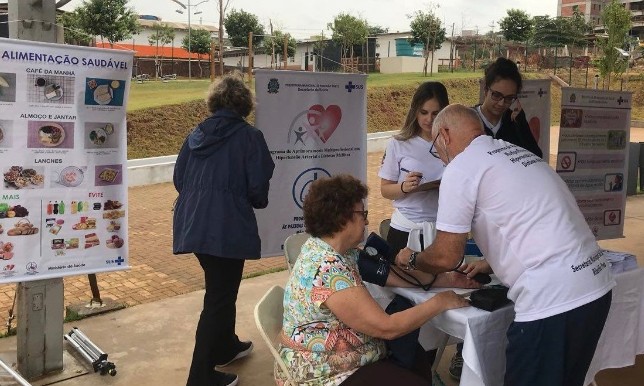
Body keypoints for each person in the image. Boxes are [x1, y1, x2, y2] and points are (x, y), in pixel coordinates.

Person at [396, 104, 614, 386]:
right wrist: (490, 262)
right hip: (595, 285)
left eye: (435, 147)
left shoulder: (462, 167)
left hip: (553, 298)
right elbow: (539, 220)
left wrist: (413, 260)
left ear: (445, 136)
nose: (439, 155)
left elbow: (447, 256)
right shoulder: (518, 155)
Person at [276, 175, 470, 386]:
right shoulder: (327, 270)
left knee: (414, 356)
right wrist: (440, 302)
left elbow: (394, 276)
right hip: (322, 372)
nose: (367, 221)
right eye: (363, 214)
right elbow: (387, 327)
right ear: (342, 217)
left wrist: (447, 279)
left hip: (350, 356)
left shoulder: (336, 250)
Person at [173, 73, 275, 386]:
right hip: (226, 224)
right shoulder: (249, 136)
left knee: (223, 288)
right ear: (244, 104)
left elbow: (179, 178)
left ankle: (226, 345)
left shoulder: (196, 133)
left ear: (214, 102)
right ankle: (200, 376)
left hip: (193, 222)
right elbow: (258, 187)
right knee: (218, 296)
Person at [379, 81, 449, 254]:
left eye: (436, 113)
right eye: (423, 112)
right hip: (406, 229)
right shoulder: (398, 144)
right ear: (415, 111)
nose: (429, 119)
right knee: (403, 280)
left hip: (443, 229)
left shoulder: (453, 143)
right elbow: (385, 189)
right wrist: (404, 187)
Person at [475, 57, 543, 158]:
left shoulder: (515, 122)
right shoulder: (469, 120)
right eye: (496, 95)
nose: (501, 103)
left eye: (509, 98)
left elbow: (536, 157)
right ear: (485, 90)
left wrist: (521, 125)